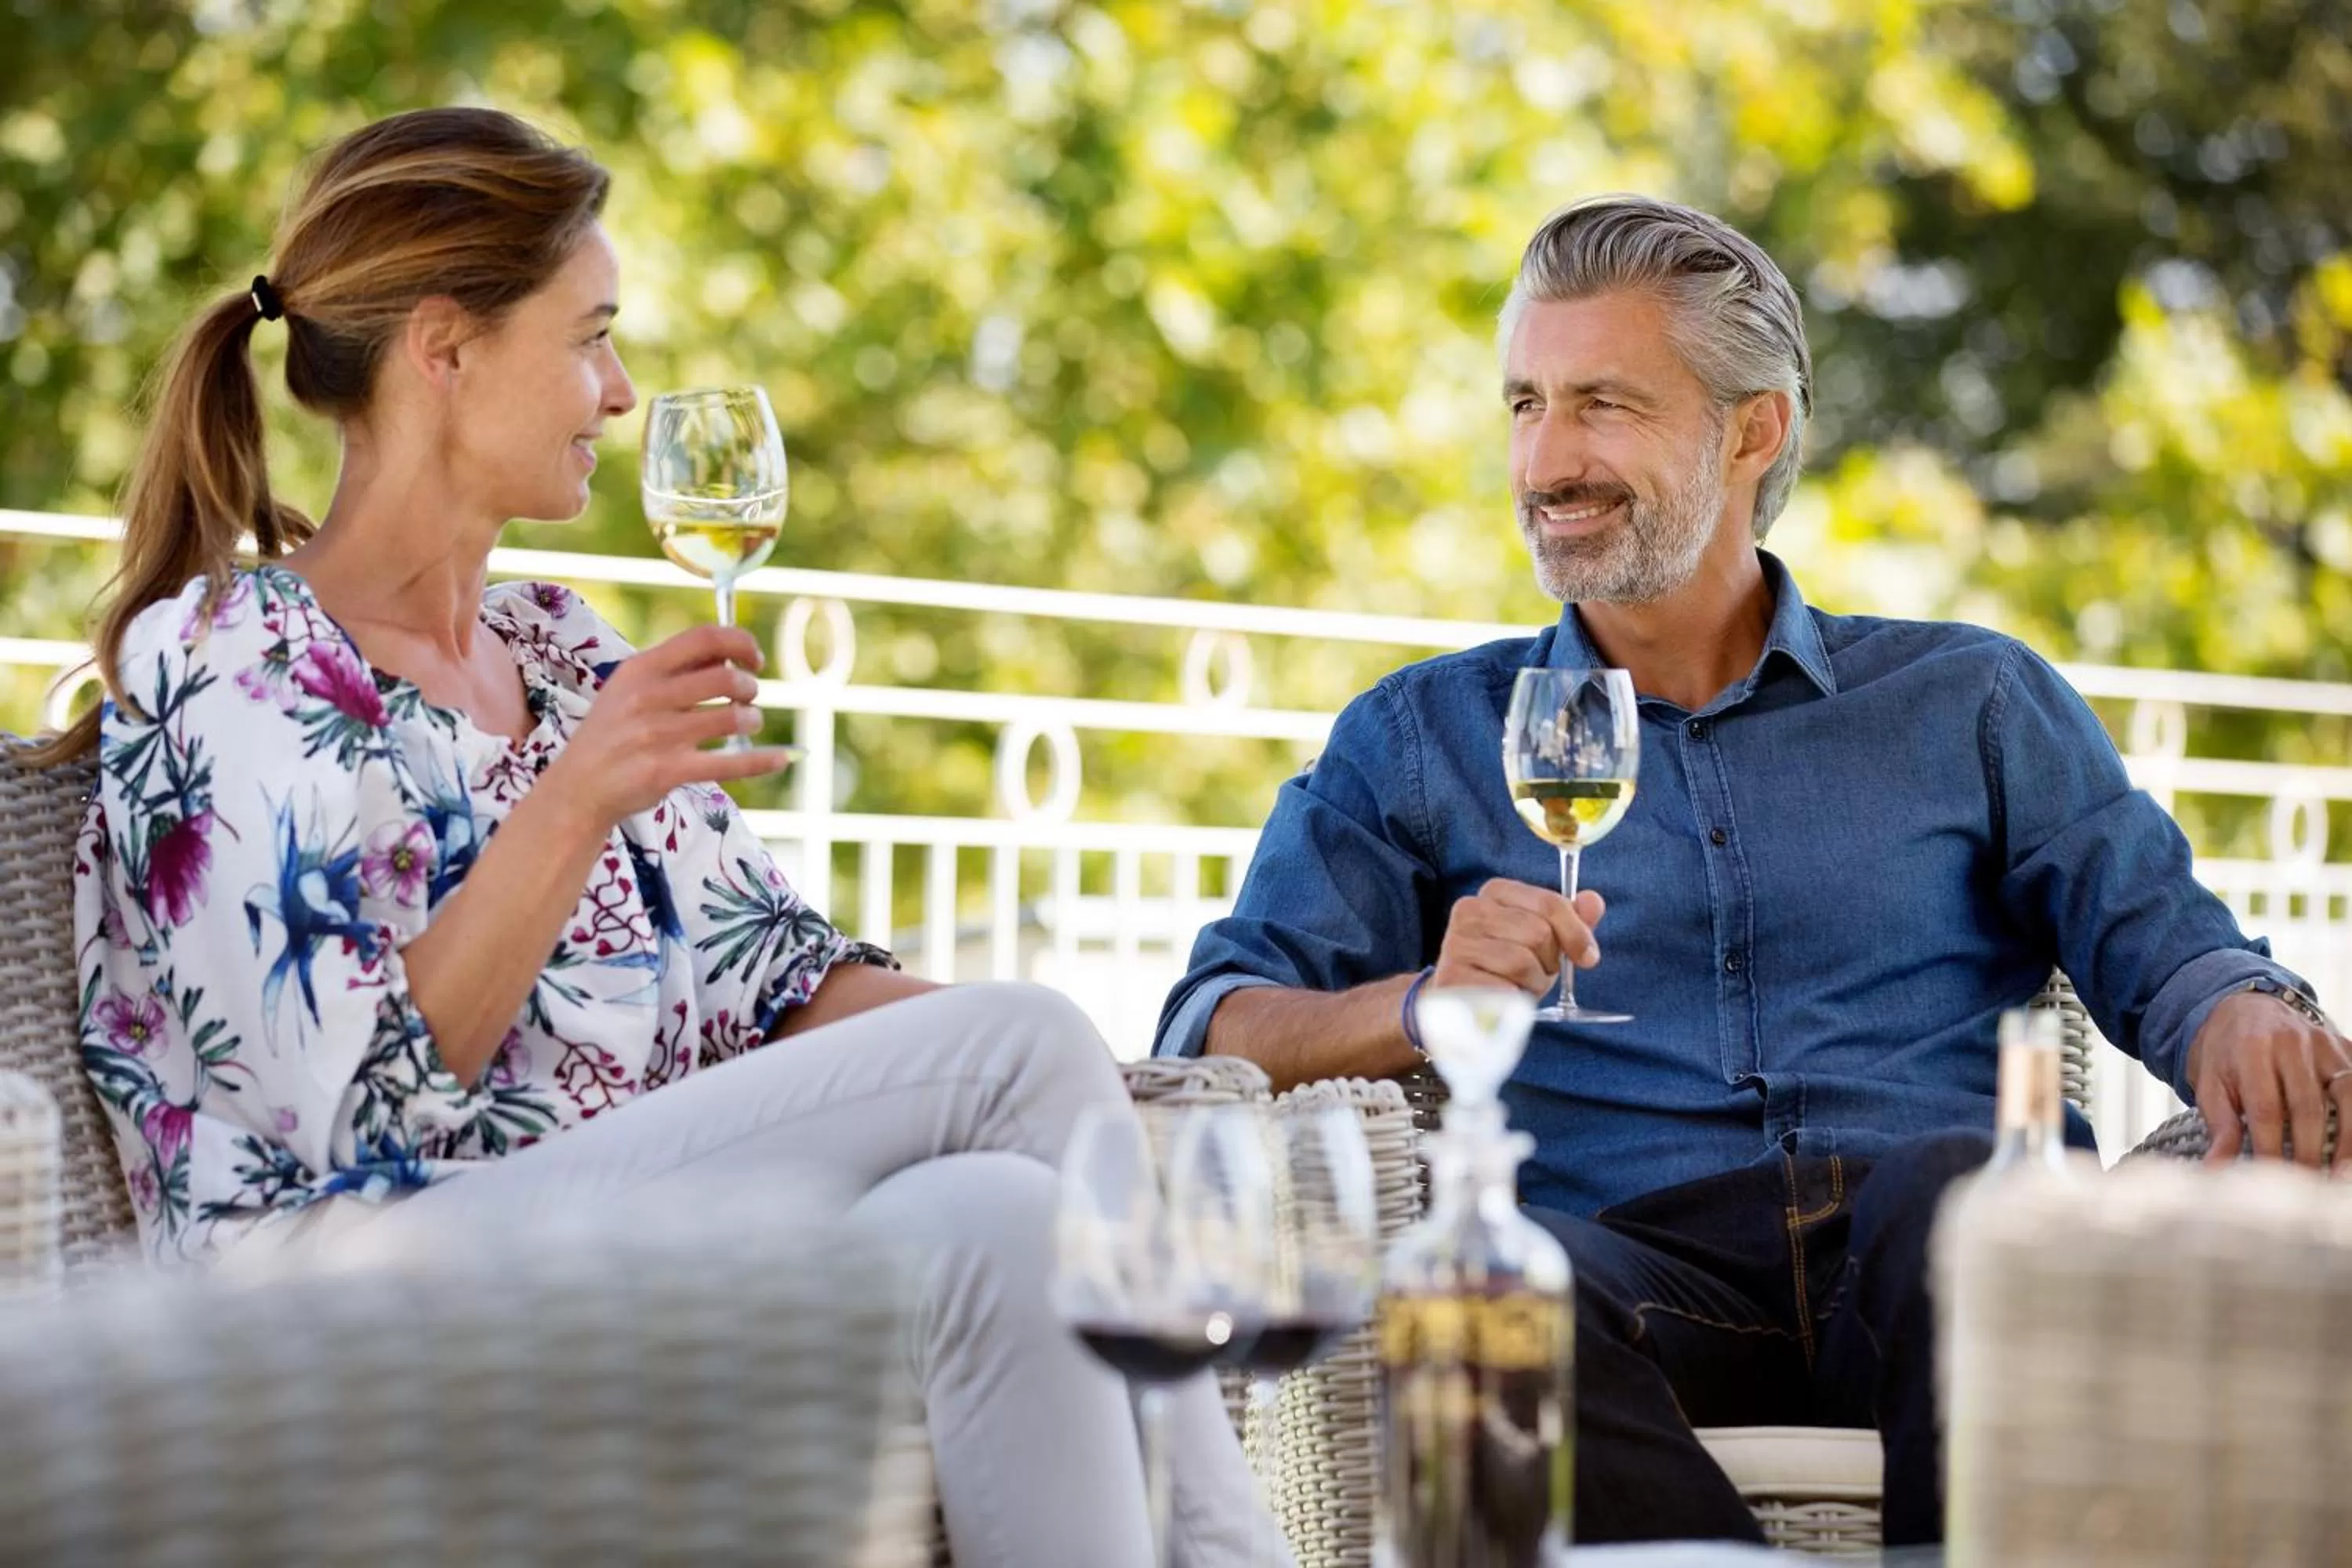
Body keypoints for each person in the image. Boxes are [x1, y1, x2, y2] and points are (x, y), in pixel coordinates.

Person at [45, 107, 1283, 1568]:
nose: (620, 391)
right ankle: (1234, 1555)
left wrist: (1064, 1104)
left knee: (1007, 1216)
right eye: (590, 337)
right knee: (1020, 1041)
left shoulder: (559, 648)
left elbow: (779, 979)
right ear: (443, 350)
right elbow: (351, 1113)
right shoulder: (239, 662)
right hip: (338, 1294)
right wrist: (572, 802)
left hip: (597, 1247)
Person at [1155, 194, 2347, 1547]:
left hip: (1930, 1243)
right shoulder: (1422, 738)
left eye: (1603, 404)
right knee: (1482, 1311)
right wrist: (1422, 1001)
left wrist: (2248, 1008)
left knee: (1972, 1194)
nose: (1547, 459)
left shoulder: (1972, 700)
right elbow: (1213, 1028)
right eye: (1525, 403)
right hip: (1627, 1260)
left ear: (1753, 428)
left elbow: (2167, 943)